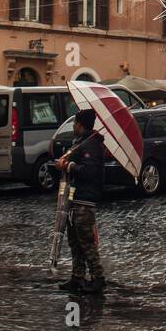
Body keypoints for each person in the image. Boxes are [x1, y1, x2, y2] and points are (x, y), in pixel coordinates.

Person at [55, 110, 106, 295]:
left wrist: (68, 165)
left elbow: (89, 171)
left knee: (86, 241)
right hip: (74, 198)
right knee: (74, 241)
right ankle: (77, 277)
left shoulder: (92, 144)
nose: (73, 126)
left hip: (85, 199)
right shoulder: (81, 142)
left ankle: (98, 278)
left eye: (75, 123)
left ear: (81, 124)